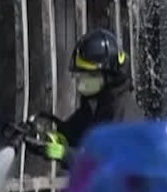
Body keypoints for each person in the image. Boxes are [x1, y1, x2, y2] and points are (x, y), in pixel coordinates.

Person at [27, 29, 144, 167]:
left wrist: (66, 155)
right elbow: (72, 133)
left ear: (108, 75)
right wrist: (46, 139)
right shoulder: (95, 105)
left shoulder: (124, 113)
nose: (80, 81)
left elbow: (114, 164)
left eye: (88, 75)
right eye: (78, 75)